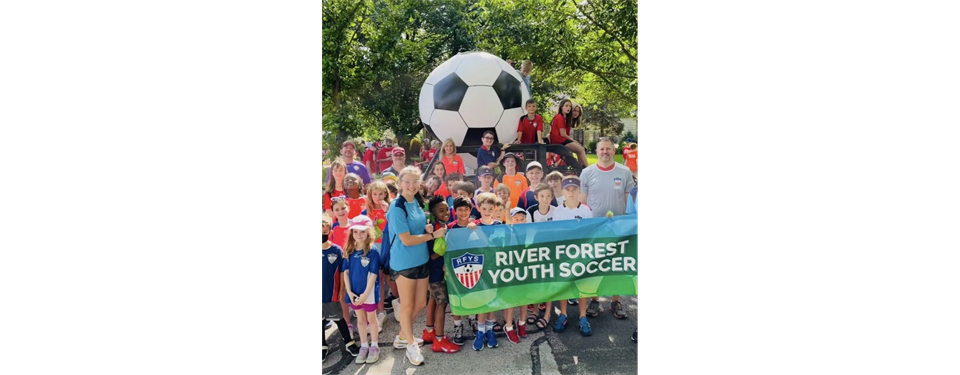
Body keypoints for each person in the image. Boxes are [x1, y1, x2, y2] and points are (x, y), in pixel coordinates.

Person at [387, 166, 446, 366]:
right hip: (404, 262)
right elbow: (406, 240)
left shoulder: (417, 201)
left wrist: (427, 227)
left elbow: (419, 226)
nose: (411, 185)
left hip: (422, 259)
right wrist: (432, 235)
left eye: (415, 181)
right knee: (407, 305)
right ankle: (410, 344)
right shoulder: (397, 207)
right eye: (407, 181)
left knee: (421, 302)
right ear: (400, 183)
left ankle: (403, 335)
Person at [579, 137, 636, 320]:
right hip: (594, 227)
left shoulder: (625, 171)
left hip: (618, 228)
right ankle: (595, 299)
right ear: (596, 151)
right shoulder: (587, 173)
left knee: (616, 265)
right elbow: (582, 201)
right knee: (594, 264)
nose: (605, 152)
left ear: (614, 151)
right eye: (602, 149)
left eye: (608, 149)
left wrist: (628, 223)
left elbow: (629, 200)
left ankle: (615, 300)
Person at [551, 176, 594, 336]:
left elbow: (591, 232)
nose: (571, 192)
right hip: (564, 254)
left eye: (574, 189)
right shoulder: (558, 211)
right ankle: (563, 314)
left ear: (579, 191)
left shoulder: (586, 210)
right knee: (565, 285)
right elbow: (556, 234)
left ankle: (583, 316)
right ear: (562, 191)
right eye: (567, 189)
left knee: (582, 285)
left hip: (581, 254)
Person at [423, 196, 461, 354]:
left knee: (433, 299)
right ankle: (439, 339)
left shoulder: (441, 225)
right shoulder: (434, 228)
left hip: (435, 272)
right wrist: (442, 251)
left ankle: (429, 331)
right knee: (442, 303)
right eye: (441, 210)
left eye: (447, 209)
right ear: (433, 212)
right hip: (437, 273)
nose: (446, 212)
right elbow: (432, 255)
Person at [342, 215, 382, 364]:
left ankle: (374, 346)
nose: (359, 235)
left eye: (362, 231)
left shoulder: (373, 251)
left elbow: (373, 274)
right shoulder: (349, 250)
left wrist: (365, 295)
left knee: (372, 319)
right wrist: (350, 292)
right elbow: (345, 272)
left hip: (368, 293)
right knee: (360, 320)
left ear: (368, 233)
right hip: (354, 293)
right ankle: (364, 345)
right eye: (355, 231)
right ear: (352, 233)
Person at [321, 215, 361, 363]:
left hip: (331, 293)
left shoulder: (336, 250)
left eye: (325, 232)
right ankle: (322, 345)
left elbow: (343, 271)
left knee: (339, 318)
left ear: (330, 231)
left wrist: (342, 290)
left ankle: (349, 342)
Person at [466, 193, 503, 351]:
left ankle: (490, 330)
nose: (487, 211)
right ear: (479, 208)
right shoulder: (473, 225)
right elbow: (469, 247)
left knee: (492, 300)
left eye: (490, 208)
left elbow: (501, 246)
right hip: (478, 270)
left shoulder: (499, 225)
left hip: (494, 268)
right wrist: (472, 230)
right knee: (483, 301)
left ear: (495, 209)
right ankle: (480, 332)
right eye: (484, 208)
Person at [549, 99, 589, 167]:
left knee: (580, 150)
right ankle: (588, 169)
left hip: (562, 139)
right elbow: (562, 134)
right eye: (566, 106)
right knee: (581, 149)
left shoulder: (565, 118)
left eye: (570, 106)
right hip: (559, 141)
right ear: (562, 107)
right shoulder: (560, 117)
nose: (568, 108)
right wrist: (573, 140)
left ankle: (580, 168)